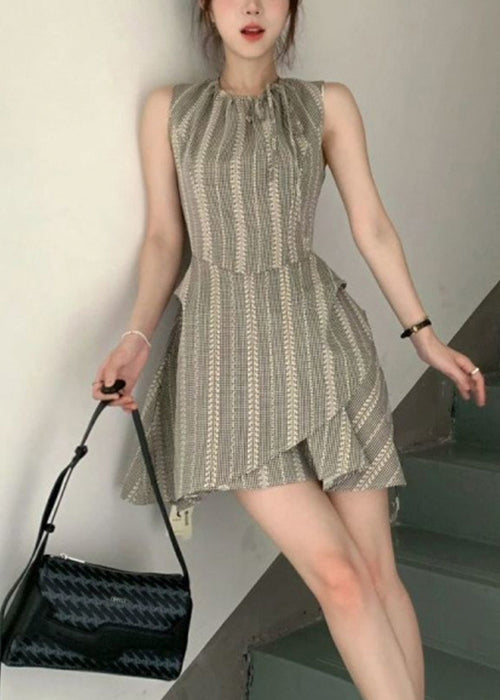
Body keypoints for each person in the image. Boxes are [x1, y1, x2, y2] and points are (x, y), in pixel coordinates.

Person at [92, 2, 486, 698]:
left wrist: (425, 336)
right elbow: (163, 239)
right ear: (207, 7)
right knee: (339, 576)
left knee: (375, 571)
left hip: (327, 349)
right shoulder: (170, 110)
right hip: (228, 365)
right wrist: (135, 338)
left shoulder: (326, 105)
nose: (252, 7)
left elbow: (372, 225)